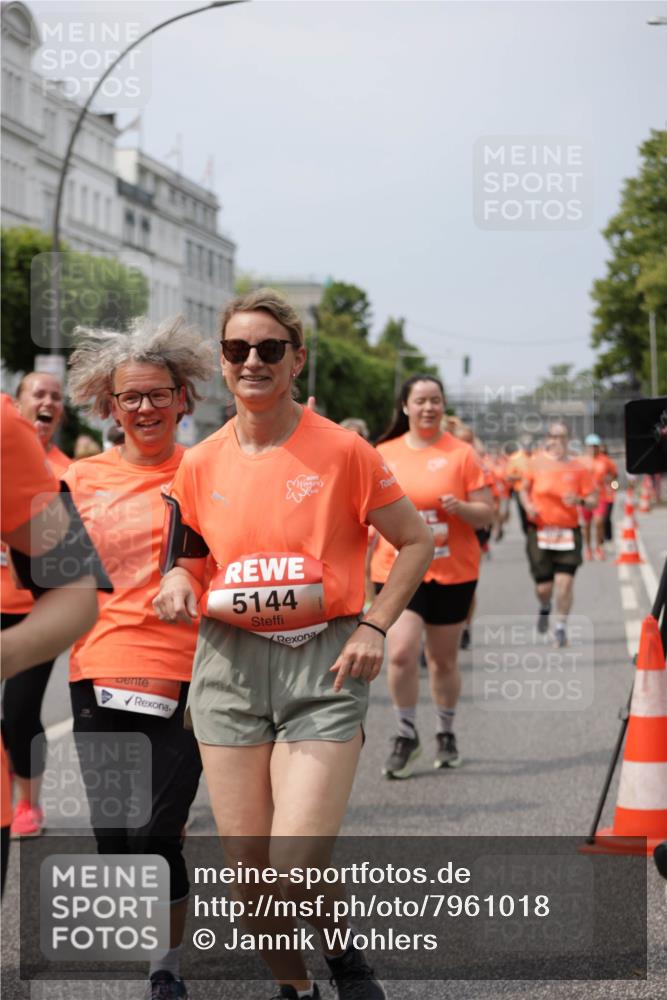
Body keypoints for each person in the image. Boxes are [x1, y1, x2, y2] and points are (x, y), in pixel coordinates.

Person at [154, 289, 432, 1000]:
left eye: (269, 349)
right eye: (237, 349)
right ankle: (298, 988)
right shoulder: (198, 463)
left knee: (293, 862)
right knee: (251, 879)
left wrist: (374, 623)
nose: (252, 361)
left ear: (296, 359)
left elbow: (415, 541)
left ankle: (341, 956)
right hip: (228, 668)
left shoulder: (343, 450)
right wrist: (181, 584)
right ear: (221, 363)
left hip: (323, 661)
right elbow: (186, 555)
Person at [65, 316, 216, 1000]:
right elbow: (55, 578)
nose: (147, 408)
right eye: (132, 397)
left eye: (159, 394)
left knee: (158, 831)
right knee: (115, 838)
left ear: (184, 397)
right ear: (109, 405)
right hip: (98, 669)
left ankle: (165, 967)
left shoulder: (212, 468)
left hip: (190, 671)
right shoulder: (79, 477)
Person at [1, 393, 102, 892]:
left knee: (19, 712)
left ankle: (27, 801)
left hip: (20, 613)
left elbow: (76, 593)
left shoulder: (5, 429)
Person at [370, 375, 493, 778]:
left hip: (453, 568)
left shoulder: (462, 454)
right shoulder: (382, 453)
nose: (428, 407)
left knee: (442, 661)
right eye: (420, 400)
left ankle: (445, 731)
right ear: (405, 407)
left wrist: (461, 508)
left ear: (443, 406)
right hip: (397, 569)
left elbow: (488, 512)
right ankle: (406, 735)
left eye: (435, 400)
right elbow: (365, 513)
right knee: (403, 652)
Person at [1, 372, 72, 839]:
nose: (47, 402)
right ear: (18, 403)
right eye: (38, 394)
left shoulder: (67, 472)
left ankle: (27, 803)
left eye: (55, 396)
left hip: (35, 611)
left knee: (21, 711)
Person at [519, 422, 597, 647]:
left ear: (568, 439)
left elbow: (593, 499)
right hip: (541, 531)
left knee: (565, 583)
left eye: (563, 437)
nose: (558, 441)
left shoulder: (578, 467)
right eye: (554, 436)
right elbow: (523, 490)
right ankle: (545, 606)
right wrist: (528, 506)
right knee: (544, 588)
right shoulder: (535, 464)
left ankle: (561, 627)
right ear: (547, 439)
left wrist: (580, 500)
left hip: (568, 532)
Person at [579, 433, 617, 559]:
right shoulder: (581, 461)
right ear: (586, 447)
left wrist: (609, 479)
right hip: (585, 497)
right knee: (586, 525)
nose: (592, 449)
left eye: (595, 446)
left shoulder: (605, 461)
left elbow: (614, 474)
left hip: (601, 496)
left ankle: (599, 547)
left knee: (599, 521)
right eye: (590, 446)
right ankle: (588, 548)